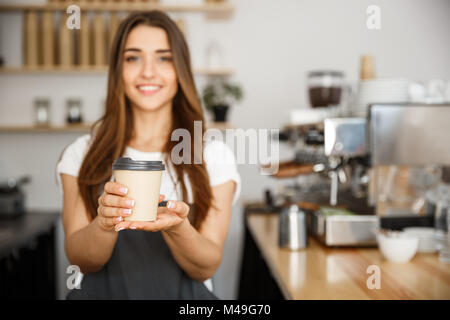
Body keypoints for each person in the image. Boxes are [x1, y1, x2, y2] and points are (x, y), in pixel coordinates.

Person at [56, 10, 240, 299]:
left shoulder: (213, 155)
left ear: (181, 69)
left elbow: (206, 266)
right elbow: (80, 260)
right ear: (118, 69)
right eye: (133, 57)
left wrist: (179, 228)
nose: (148, 72)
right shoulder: (82, 153)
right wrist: (105, 224)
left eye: (164, 58)